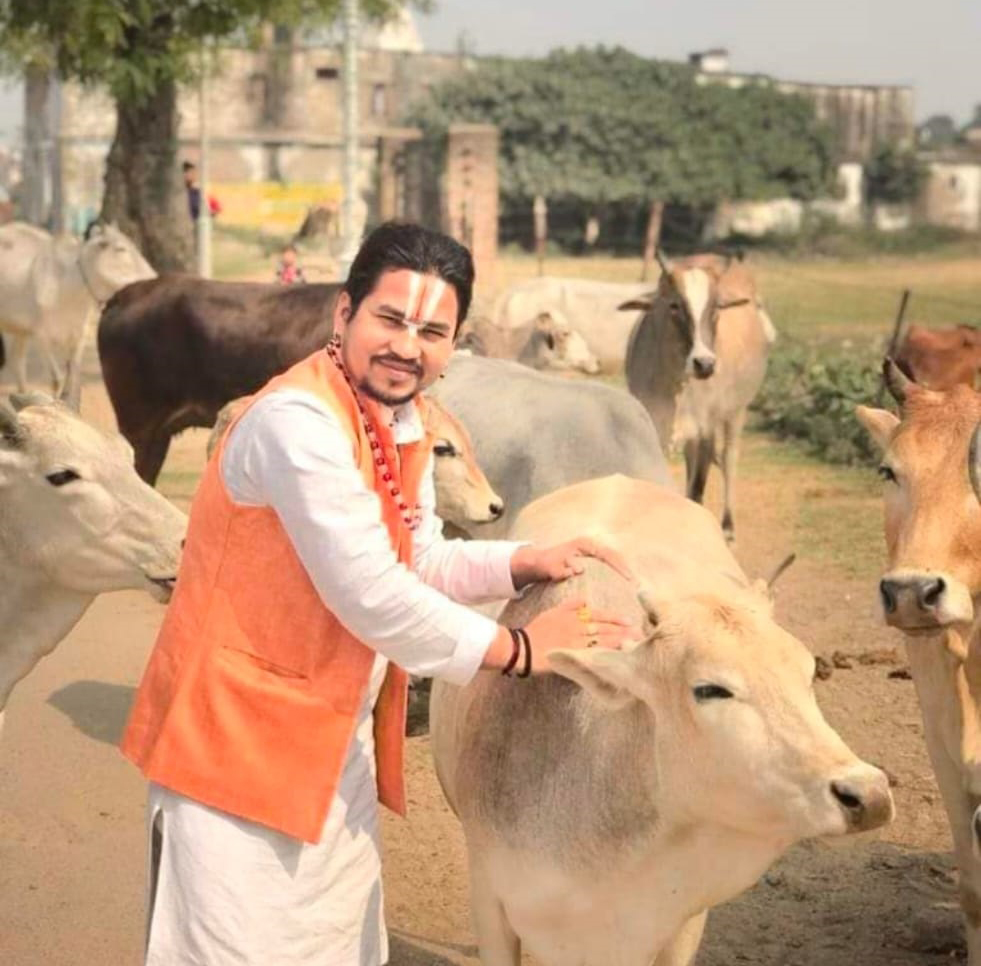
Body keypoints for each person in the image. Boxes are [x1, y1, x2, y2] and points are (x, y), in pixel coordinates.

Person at [120, 221, 636, 966]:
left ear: (453, 344)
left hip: (330, 745)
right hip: (231, 748)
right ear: (344, 313)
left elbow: (416, 555)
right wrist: (520, 649)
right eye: (390, 319)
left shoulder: (400, 421)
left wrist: (522, 562)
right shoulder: (298, 423)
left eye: (432, 331)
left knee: (334, 947)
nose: (407, 346)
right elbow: (370, 591)